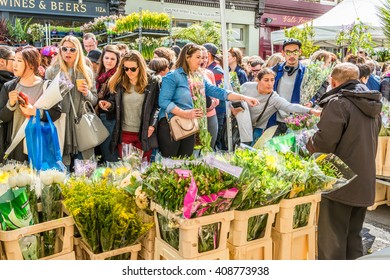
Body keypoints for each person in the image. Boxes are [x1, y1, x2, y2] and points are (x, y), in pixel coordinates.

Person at [306, 62, 382, 260]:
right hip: (364, 181)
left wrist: (308, 141)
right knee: (353, 237)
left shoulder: (339, 102)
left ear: (333, 81)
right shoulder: (372, 102)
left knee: (332, 242)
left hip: (340, 181)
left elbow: (324, 143)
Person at [157, 43, 259, 158]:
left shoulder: (199, 77)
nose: (202, 60)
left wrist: (243, 97)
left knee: (185, 162)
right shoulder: (173, 76)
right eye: (198, 57)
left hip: (190, 127)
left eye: (202, 57)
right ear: (187, 57)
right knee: (170, 162)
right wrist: (185, 113)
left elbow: (218, 92)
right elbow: (164, 101)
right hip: (171, 125)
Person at [0, 46, 61, 162]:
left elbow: (56, 113)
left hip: (39, 142)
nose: (15, 65)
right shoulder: (9, 87)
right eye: (14, 60)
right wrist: (10, 104)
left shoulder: (46, 86)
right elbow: (2, 117)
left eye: (19, 61)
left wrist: (34, 111)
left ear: (32, 64)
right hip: (15, 145)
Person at [45, 35, 97, 169]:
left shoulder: (87, 72)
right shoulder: (51, 72)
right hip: (60, 123)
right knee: (61, 170)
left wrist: (86, 92)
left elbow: (94, 100)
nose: (68, 52)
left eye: (72, 50)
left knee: (84, 171)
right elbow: (46, 100)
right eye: (65, 48)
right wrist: (60, 88)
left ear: (78, 51)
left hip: (81, 123)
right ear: (60, 50)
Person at [105, 50, 160, 162]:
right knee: (127, 169)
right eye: (126, 68)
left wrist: (152, 125)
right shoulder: (119, 83)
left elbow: (157, 106)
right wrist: (109, 105)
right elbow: (114, 104)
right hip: (124, 133)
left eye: (133, 69)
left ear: (140, 67)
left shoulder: (152, 82)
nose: (129, 72)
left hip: (144, 133)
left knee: (143, 170)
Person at [241, 68, 320, 145]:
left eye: (272, 80)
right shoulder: (247, 87)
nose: (270, 83)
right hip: (240, 126)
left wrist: (311, 110)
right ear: (258, 80)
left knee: (250, 152)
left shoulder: (274, 98)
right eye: (266, 80)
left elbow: (290, 106)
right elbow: (234, 98)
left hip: (256, 129)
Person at [267, 38, 306, 135]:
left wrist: (311, 101)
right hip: (275, 120)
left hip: (296, 121)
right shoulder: (273, 71)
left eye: (295, 51)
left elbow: (318, 91)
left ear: (300, 52)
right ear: (283, 53)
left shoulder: (307, 72)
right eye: (288, 52)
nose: (292, 55)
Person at [95, 45, 121, 162]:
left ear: (117, 61)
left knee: (108, 152)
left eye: (112, 59)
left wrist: (109, 104)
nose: (109, 61)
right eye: (106, 58)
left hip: (109, 118)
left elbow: (117, 100)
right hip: (97, 116)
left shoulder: (117, 77)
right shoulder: (100, 76)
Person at [200, 45, 219, 150]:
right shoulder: (187, 74)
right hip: (196, 116)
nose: (204, 60)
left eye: (206, 57)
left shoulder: (210, 73)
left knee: (210, 146)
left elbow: (216, 95)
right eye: (201, 57)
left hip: (211, 114)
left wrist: (213, 104)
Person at [0, 45, 15, 161]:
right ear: (2, 62)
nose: (16, 64)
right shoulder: (8, 84)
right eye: (13, 60)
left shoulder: (14, 81)